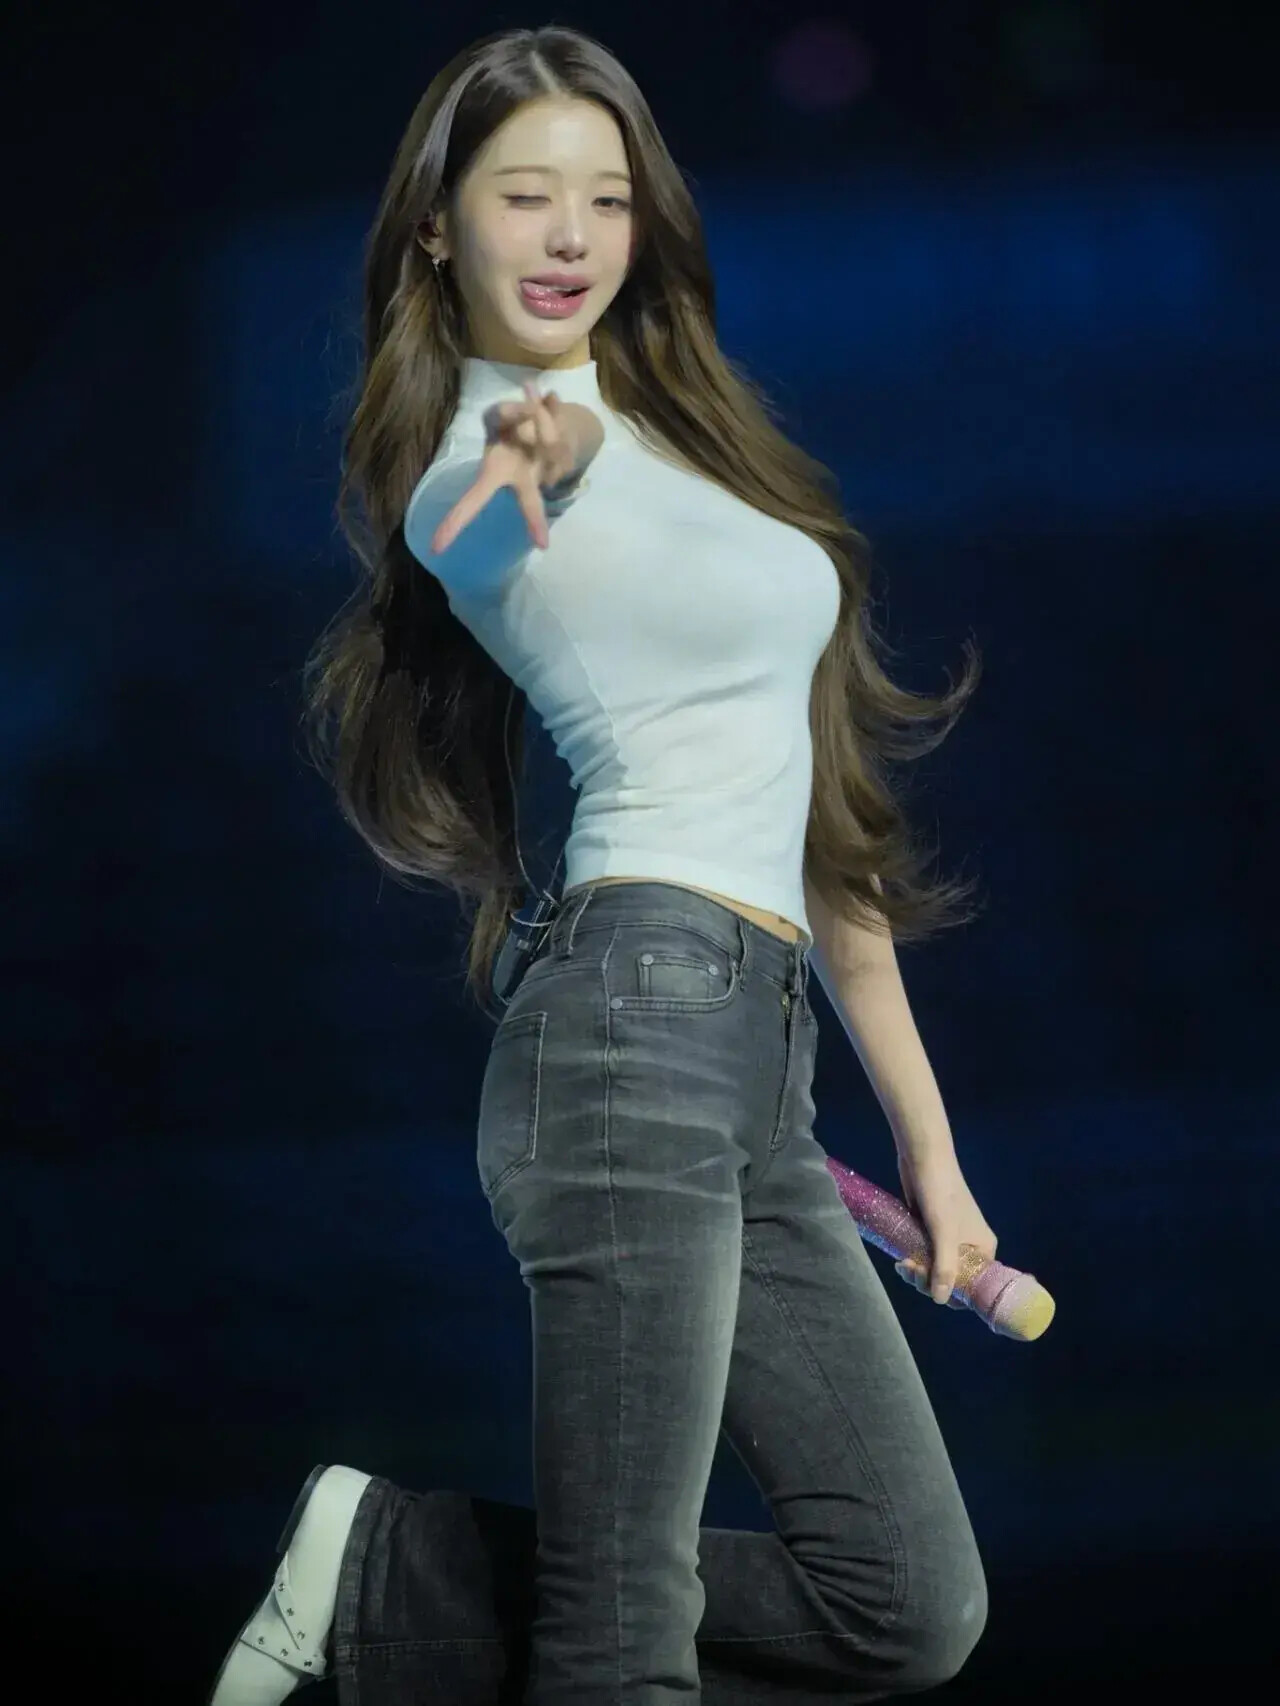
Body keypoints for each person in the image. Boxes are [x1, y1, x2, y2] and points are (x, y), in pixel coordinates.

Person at [210, 22, 998, 1706]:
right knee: (624, 1641)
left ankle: (389, 1563)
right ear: (441, 228)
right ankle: (406, 1574)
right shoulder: (475, 462)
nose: (571, 233)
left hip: (761, 1058)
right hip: (636, 1029)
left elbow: (829, 845)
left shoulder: (700, 447)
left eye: (608, 198)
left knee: (909, 1603)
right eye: (524, 196)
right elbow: (464, 540)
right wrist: (528, 460)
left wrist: (932, 1156)